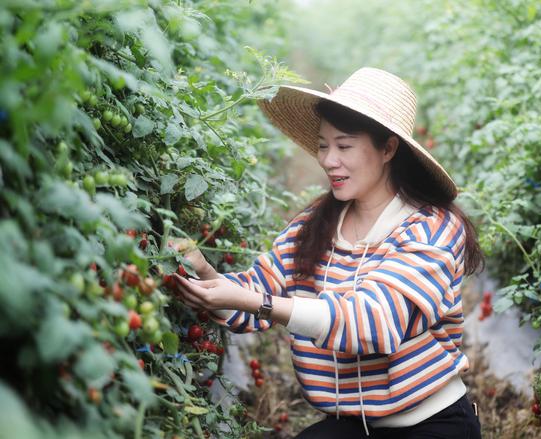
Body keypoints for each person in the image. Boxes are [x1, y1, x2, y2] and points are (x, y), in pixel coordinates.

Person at [173, 67, 484, 438]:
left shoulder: (431, 228)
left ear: (388, 148)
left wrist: (263, 305)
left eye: (345, 146)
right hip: (352, 425)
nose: (328, 160)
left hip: (431, 423)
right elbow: (257, 291)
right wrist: (206, 276)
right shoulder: (313, 228)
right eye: (323, 145)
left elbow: (375, 323)